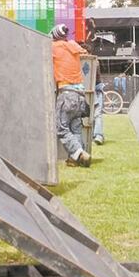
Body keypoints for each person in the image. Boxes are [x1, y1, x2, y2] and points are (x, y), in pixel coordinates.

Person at [51, 23, 91, 168]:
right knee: (75, 128)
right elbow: (85, 53)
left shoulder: (54, 47)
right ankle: (76, 160)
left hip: (66, 93)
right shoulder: (73, 46)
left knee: (61, 128)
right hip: (80, 94)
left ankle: (79, 153)